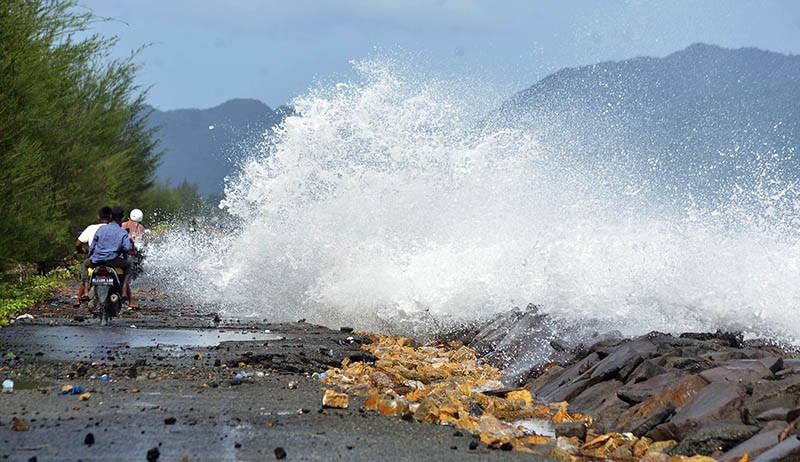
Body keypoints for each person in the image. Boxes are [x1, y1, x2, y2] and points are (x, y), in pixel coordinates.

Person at [88, 206, 137, 308]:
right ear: (122, 218)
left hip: (97, 260)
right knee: (128, 266)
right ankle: (124, 291)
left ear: (110, 216)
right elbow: (127, 248)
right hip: (112, 260)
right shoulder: (122, 232)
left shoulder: (101, 229)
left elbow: (92, 246)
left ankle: (85, 290)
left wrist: (90, 255)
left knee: (85, 265)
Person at [74, 206, 112, 306]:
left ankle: (83, 293)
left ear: (98, 217)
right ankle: (129, 299)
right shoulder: (114, 229)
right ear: (111, 217)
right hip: (111, 260)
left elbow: (78, 244)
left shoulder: (91, 228)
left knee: (85, 269)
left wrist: (82, 251)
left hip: (95, 260)